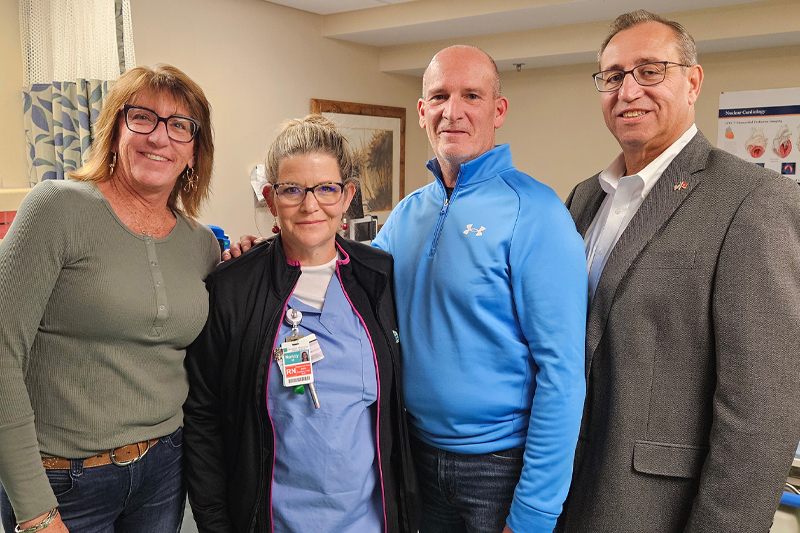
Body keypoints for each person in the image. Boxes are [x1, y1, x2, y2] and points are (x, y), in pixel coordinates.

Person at [559, 10, 800, 533]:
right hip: (567, 492)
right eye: (614, 76)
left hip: (660, 508)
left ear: (692, 82)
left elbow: (762, 408)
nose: (628, 91)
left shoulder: (754, 201)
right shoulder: (582, 199)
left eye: (650, 71)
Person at [372, 45, 587, 533]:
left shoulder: (536, 213)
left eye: (471, 95)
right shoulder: (408, 213)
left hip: (499, 470)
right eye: (440, 96)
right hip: (414, 454)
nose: (454, 111)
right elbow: (348, 283)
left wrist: (534, 512)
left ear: (498, 110)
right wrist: (269, 255)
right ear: (423, 111)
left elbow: (564, 373)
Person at [0, 64, 219, 533]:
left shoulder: (201, 245)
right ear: (115, 130)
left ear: (195, 153)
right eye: (143, 117)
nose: (160, 137)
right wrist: (36, 511)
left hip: (164, 471)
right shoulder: (56, 208)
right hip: (63, 479)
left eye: (180, 126)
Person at [183, 115, 417, 533]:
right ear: (271, 200)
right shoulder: (232, 288)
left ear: (347, 196)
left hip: (370, 522)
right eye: (293, 190)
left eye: (326, 188)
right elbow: (203, 419)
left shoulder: (378, 276)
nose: (311, 205)